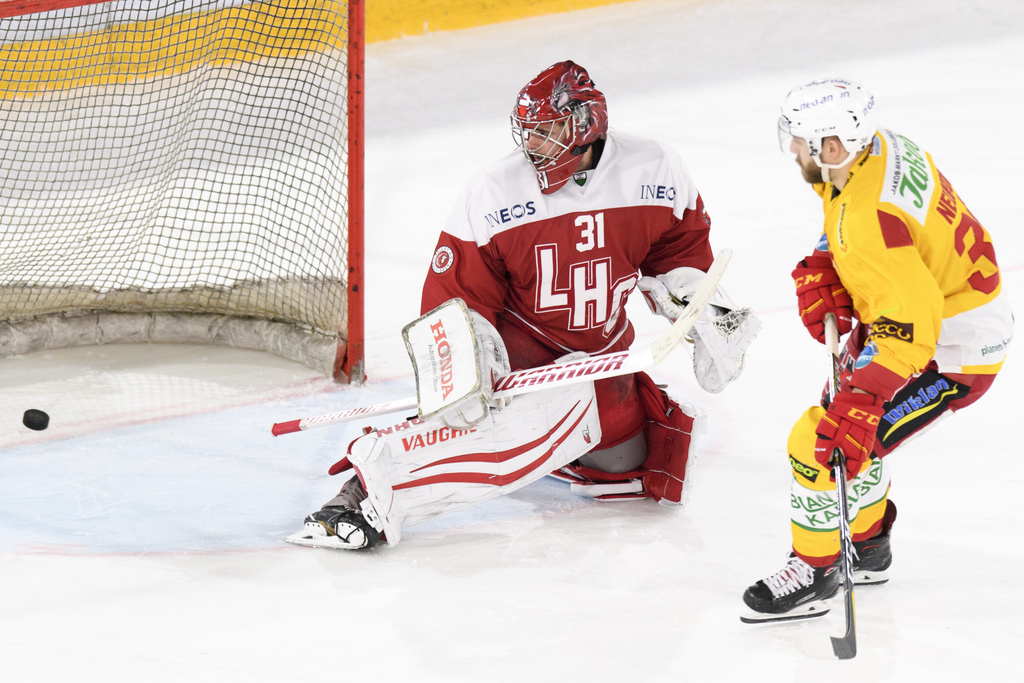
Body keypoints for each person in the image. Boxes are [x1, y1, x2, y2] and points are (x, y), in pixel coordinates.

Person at [287, 60, 758, 551]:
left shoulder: (654, 166)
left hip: (602, 366)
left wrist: (704, 309)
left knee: (625, 464)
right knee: (486, 431)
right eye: (527, 134)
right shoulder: (494, 191)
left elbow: (676, 251)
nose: (532, 146)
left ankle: (546, 447)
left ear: (584, 125)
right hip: (521, 365)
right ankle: (365, 491)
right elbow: (453, 300)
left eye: (546, 132)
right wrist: (467, 367)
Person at [741, 76, 1013, 622]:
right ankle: (865, 547)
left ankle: (817, 571)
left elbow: (910, 325)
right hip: (945, 309)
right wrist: (828, 260)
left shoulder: (866, 220)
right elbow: (881, 227)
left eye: (799, 140)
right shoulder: (881, 146)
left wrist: (866, 397)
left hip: (952, 351)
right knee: (847, 430)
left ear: (834, 147)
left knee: (824, 439)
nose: (792, 149)